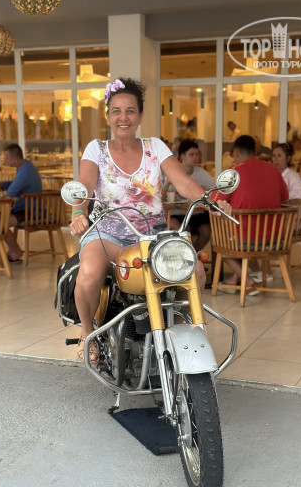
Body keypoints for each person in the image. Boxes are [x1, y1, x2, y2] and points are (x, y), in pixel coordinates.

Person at [69, 77, 231, 363]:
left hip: (152, 237)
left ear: (140, 116)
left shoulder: (155, 147)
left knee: (196, 271)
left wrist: (211, 200)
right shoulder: (97, 149)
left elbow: (183, 183)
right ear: (108, 117)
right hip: (108, 234)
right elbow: (85, 184)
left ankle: (182, 331)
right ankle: (86, 333)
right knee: (89, 272)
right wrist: (78, 212)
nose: (123, 117)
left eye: (130, 111)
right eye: (116, 111)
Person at [210, 135, 289, 292]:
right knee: (240, 232)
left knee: (217, 238)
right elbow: (285, 198)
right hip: (274, 239)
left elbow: (214, 202)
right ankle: (236, 278)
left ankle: (247, 279)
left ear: (236, 153)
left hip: (243, 239)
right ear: (254, 151)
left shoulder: (232, 172)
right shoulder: (273, 170)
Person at [0, 144, 42, 263]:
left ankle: (15, 251)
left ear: (16, 159)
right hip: (23, 208)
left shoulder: (25, 170)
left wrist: (1, 192)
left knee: (0, 225)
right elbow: (16, 184)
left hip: (31, 211)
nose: (5, 161)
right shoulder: (24, 167)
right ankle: (14, 250)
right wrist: (0, 184)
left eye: (7, 158)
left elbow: (11, 192)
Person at [167, 139, 214, 252]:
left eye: (197, 154)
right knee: (185, 229)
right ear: (182, 156)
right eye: (191, 154)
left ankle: (192, 254)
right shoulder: (174, 173)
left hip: (197, 214)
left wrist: (205, 191)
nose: (195, 157)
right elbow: (163, 196)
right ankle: (189, 255)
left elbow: (214, 191)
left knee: (207, 231)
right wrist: (170, 187)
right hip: (178, 214)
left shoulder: (202, 174)